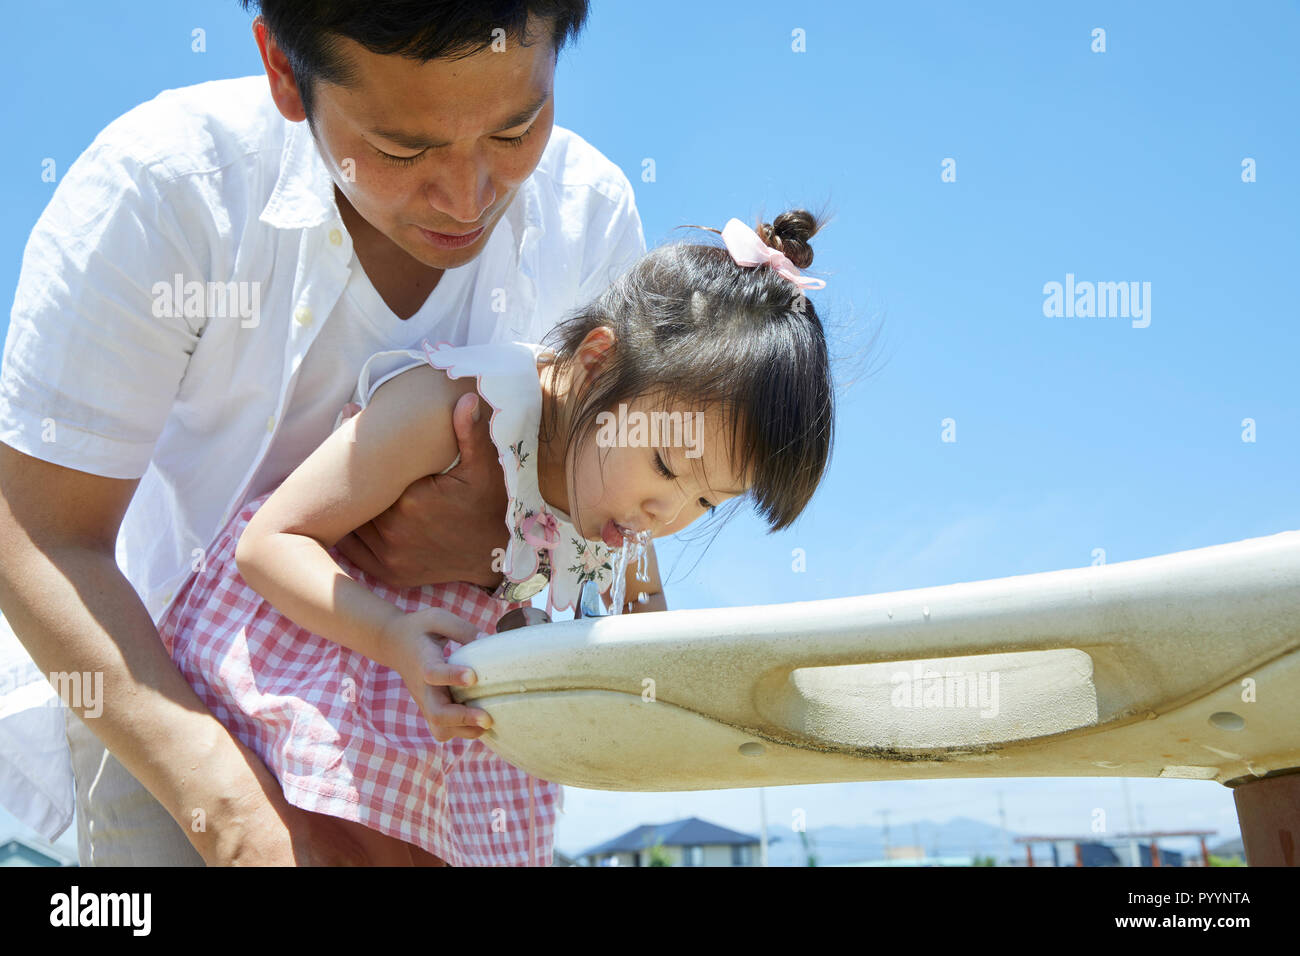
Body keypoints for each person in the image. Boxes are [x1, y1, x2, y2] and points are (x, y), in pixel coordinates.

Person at [0, 1, 648, 865]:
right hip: (173, 709)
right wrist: (239, 823)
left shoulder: (590, 219)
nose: (466, 198)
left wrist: (499, 551)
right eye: (401, 150)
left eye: (515, 129)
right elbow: (38, 534)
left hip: (448, 755)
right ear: (282, 69)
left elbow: (627, 532)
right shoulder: (165, 188)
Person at [156, 210, 836, 866]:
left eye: (709, 503)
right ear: (597, 363)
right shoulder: (464, 409)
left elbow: (646, 651)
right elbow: (270, 541)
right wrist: (390, 635)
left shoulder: (627, 518)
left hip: (456, 734)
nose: (668, 512)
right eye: (664, 465)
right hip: (329, 666)